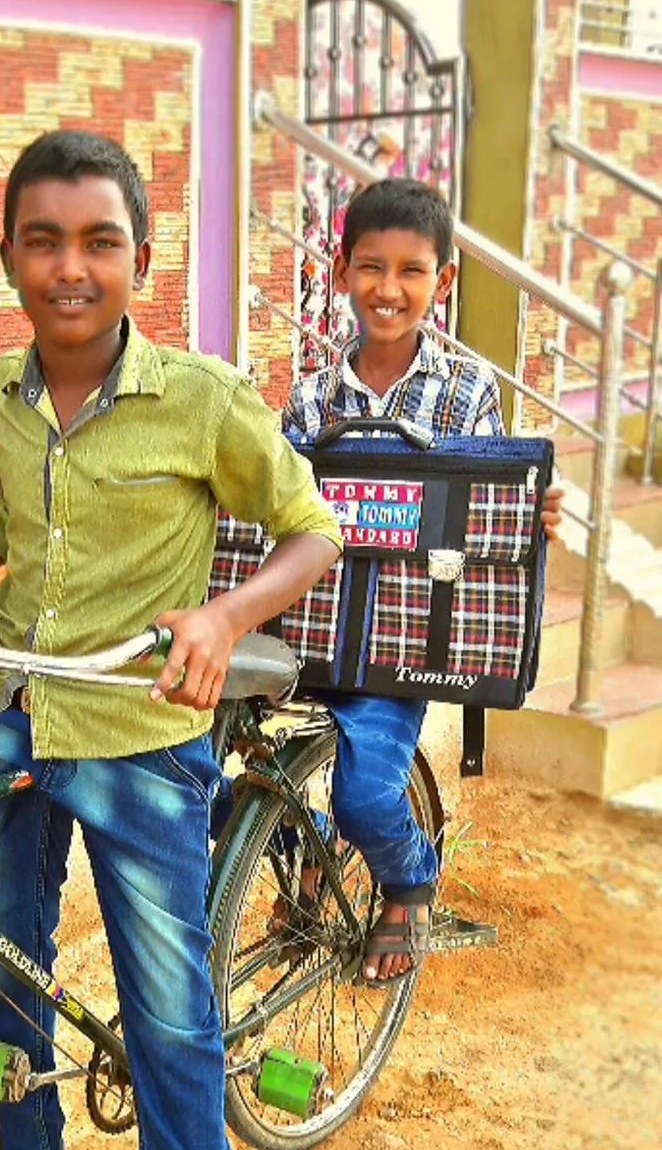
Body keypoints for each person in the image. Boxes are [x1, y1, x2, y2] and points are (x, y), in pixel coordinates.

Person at [0, 130, 343, 1150]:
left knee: (166, 1009)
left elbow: (312, 528)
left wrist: (224, 614)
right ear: (8, 258)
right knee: (1, 979)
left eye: (99, 241)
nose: (71, 267)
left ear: (140, 261)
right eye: (43, 241)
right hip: (13, 721)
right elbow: (10, 521)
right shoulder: (0, 398)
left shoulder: (199, 400)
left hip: (141, 735)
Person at [216, 177, 564, 988]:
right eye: (370, 266)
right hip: (306, 632)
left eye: (411, 271)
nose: (388, 288)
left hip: (400, 647)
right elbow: (271, 499)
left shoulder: (470, 394)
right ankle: (312, 856)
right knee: (210, 779)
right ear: (339, 272)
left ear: (441, 283)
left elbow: (490, 510)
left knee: (369, 798)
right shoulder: (309, 395)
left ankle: (408, 879)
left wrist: (529, 513)